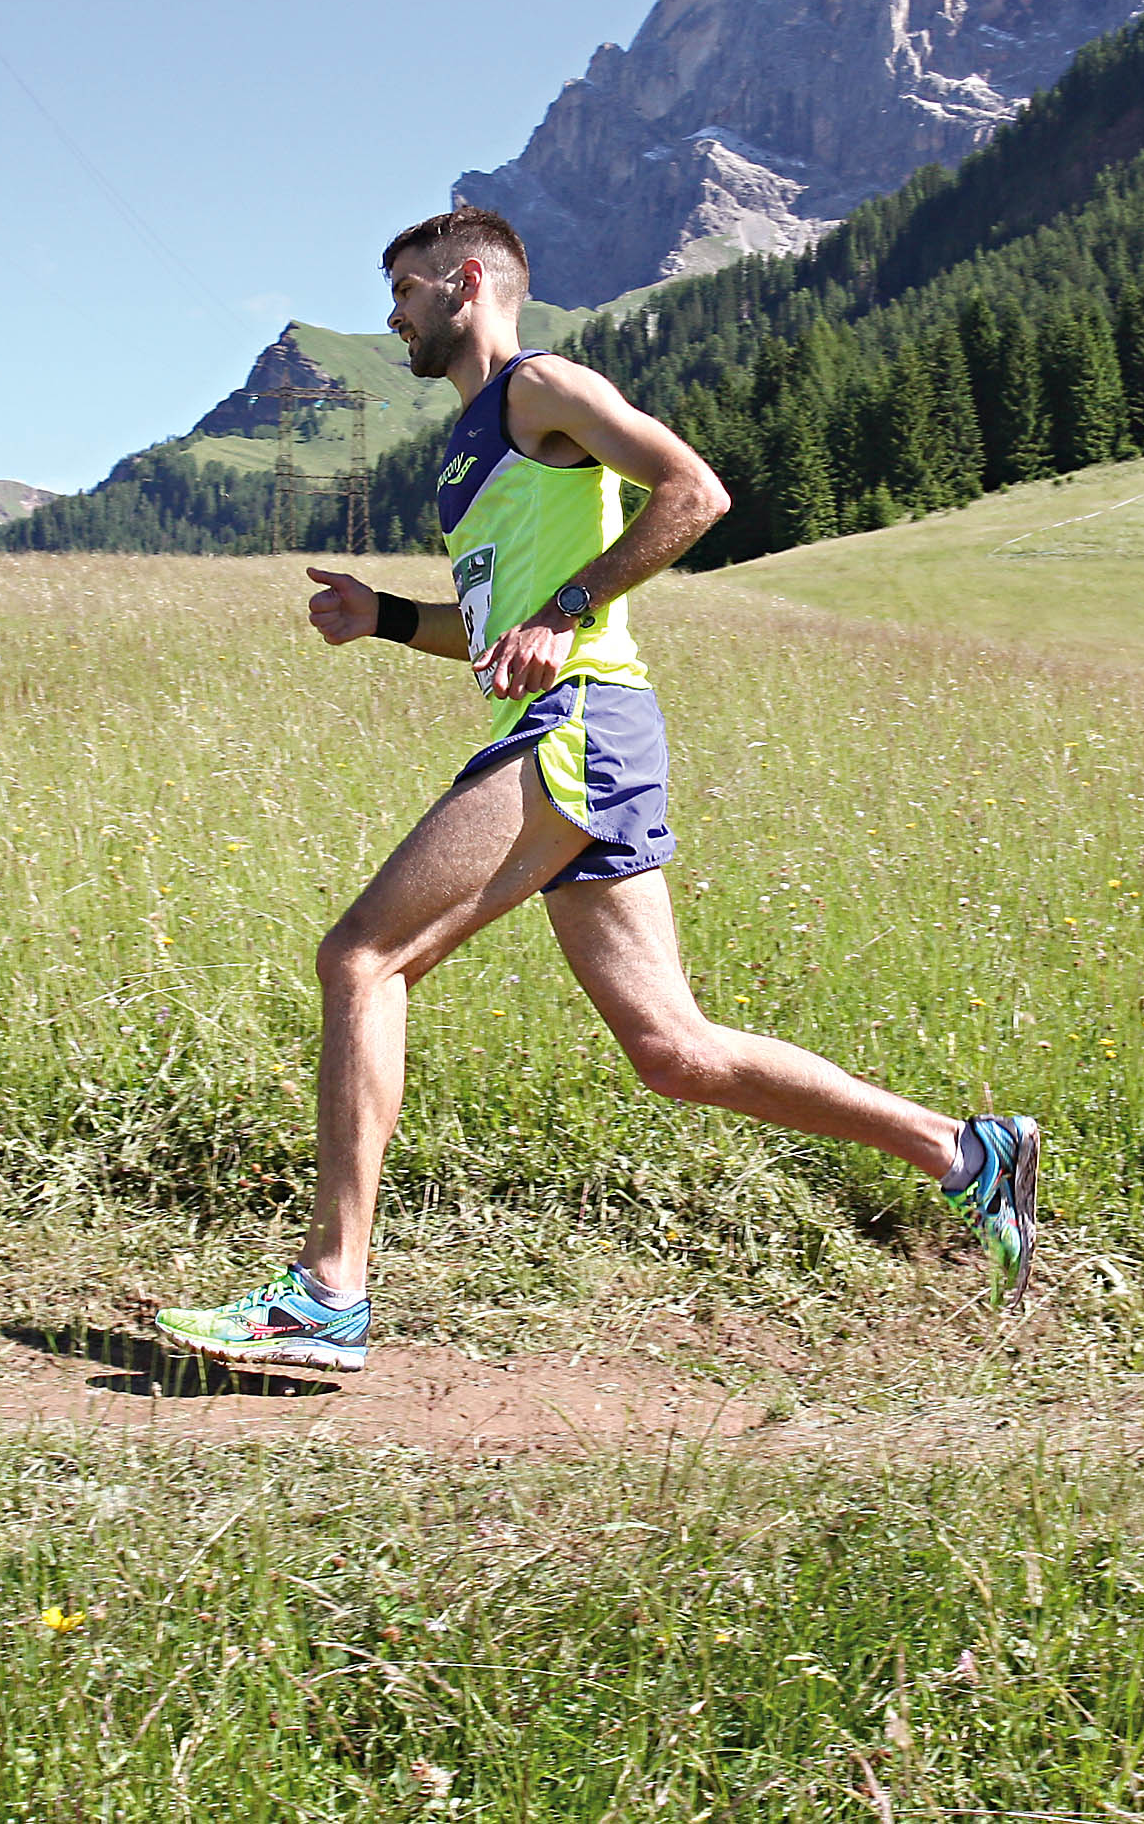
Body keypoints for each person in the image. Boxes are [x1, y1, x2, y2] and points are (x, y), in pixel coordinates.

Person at [154, 206, 1036, 1373]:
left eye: (407, 288)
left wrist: (565, 613)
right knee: (673, 1050)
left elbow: (695, 493)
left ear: (467, 282)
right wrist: (389, 619)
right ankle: (969, 1151)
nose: (393, 312)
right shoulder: (476, 442)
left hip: (582, 727)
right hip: (569, 728)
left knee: (363, 956)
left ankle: (329, 1290)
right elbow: (494, 641)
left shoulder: (540, 387)